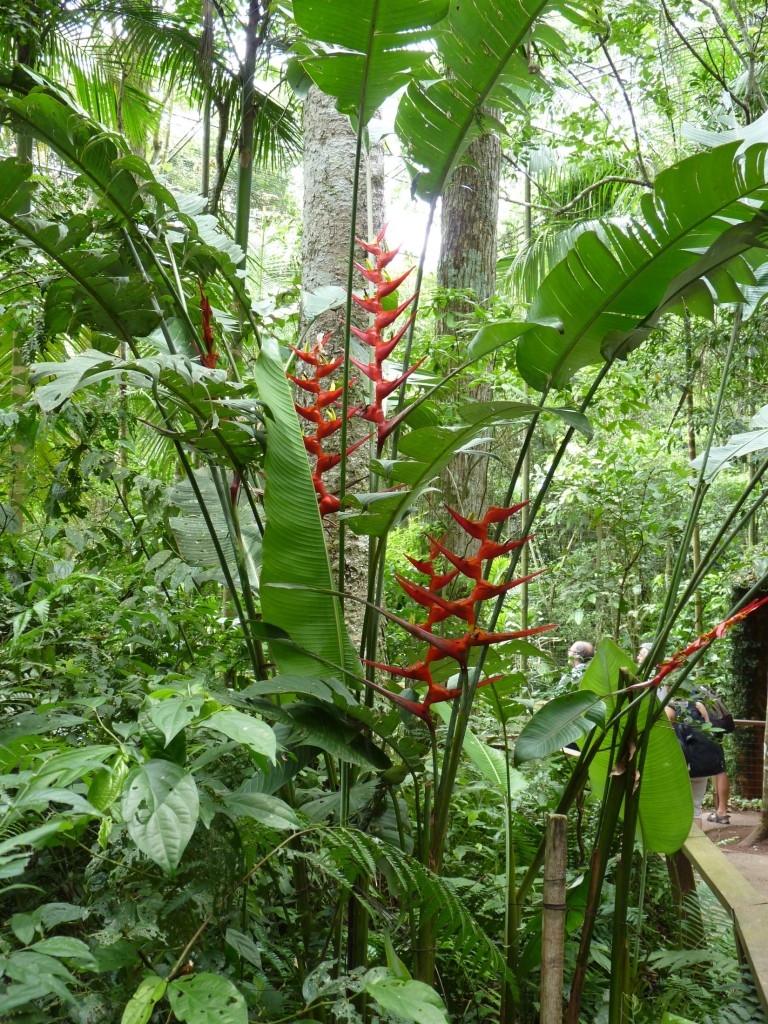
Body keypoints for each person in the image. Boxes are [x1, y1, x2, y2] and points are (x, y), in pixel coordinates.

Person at [666, 700, 729, 826]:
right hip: (702, 763)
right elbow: (708, 728)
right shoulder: (700, 704)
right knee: (695, 810)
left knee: (676, 808)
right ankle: (698, 843)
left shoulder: (671, 708)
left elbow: (662, 732)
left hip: (680, 765)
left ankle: (680, 844)